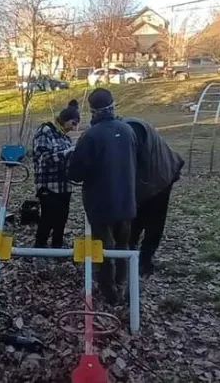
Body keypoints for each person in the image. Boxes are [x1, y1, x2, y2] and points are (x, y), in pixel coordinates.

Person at [68, 88, 137, 305]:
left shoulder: (90, 136)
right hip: (126, 199)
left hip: (100, 203)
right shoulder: (127, 131)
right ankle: (122, 280)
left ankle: (109, 292)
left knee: (104, 248)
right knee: (123, 245)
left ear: (92, 110)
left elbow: (76, 173)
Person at [122, 117, 185, 276]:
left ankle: (145, 260)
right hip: (151, 176)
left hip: (161, 178)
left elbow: (134, 174)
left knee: (154, 223)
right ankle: (130, 253)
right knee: (136, 218)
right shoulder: (126, 129)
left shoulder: (133, 134)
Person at [32, 100, 80, 249]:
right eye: (73, 123)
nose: (74, 128)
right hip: (48, 185)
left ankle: (57, 247)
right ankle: (39, 248)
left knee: (62, 218)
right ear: (64, 119)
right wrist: (67, 153)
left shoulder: (65, 137)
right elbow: (43, 159)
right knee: (47, 219)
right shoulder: (45, 131)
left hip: (64, 186)